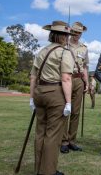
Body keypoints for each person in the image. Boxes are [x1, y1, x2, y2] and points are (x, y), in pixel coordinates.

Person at [29, 20, 74, 175]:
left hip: (39, 93)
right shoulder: (64, 52)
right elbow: (66, 78)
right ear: (62, 37)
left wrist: (31, 98)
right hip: (55, 93)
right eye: (66, 35)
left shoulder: (41, 51)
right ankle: (48, 172)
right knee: (53, 135)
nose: (68, 38)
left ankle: (39, 169)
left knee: (40, 132)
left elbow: (33, 77)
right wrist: (68, 102)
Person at [60, 22, 89, 154]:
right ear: (71, 32)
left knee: (76, 112)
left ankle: (72, 141)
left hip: (78, 80)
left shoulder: (84, 48)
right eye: (75, 32)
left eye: (79, 33)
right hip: (66, 79)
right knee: (66, 110)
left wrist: (87, 83)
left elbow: (85, 67)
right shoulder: (64, 45)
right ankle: (63, 141)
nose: (77, 35)